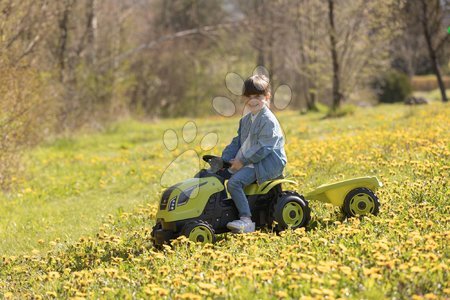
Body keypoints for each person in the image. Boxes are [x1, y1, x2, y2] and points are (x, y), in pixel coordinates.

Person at [220, 74, 287, 233]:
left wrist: (242, 161)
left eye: (257, 96)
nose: (253, 100)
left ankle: (246, 220)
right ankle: (223, 212)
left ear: (267, 97)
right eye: (249, 97)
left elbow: (263, 148)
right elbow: (237, 141)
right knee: (217, 176)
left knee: (234, 183)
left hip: (266, 162)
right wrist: (223, 159)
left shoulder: (268, 120)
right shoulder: (246, 120)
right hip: (248, 160)